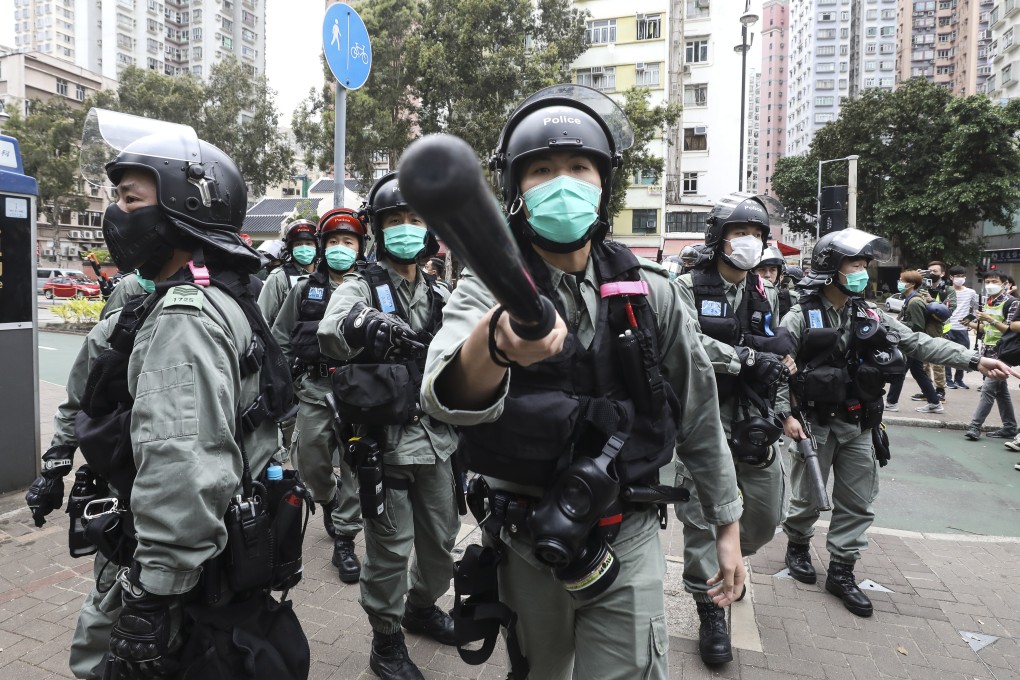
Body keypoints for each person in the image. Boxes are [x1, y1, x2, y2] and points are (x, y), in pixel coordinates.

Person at [420, 84, 745, 680]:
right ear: (516, 191)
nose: (561, 182)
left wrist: (727, 525)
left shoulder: (653, 291)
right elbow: (443, 393)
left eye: (578, 168)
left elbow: (699, 417)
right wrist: (495, 343)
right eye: (541, 171)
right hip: (525, 539)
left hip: (631, 531)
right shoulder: (487, 289)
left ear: (604, 184)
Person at [47, 112, 307, 679]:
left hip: (176, 571)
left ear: (185, 206)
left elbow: (180, 464)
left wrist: (151, 590)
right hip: (211, 552)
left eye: (130, 199)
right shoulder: (204, 293)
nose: (116, 212)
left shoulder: (186, 314)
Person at [778, 228, 1016, 619]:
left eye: (865, 264)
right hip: (813, 424)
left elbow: (919, 344)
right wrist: (785, 413)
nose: (863, 271)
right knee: (807, 497)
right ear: (831, 268)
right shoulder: (800, 315)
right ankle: (798, 545)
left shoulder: (869, 312)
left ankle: (841, 571)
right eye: (855, 264)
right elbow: (778, 368)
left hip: (859, 424)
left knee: (857, 502)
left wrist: (976, 361)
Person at [317, 171, 460, 680]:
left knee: (442, 544)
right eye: (394, 220)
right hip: (387, 444)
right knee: (389, 551)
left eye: (414, 219)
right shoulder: (361, 283)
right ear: (378, 229)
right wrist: (364, 324)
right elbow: (332, 331)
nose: (405, 228)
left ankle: (421, 607)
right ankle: (386, 638)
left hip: (439, 442)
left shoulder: (441, 292)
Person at [675, 194, 793, 665]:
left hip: (754, 421)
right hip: (702, 419)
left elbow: (778, 360)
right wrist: (743, 358)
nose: (749, 242)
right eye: (738, 232)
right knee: (703, 521)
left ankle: (731, 566)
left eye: (757, 234)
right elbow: (686, 341)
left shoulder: (765, 292)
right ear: (717, 239)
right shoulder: (684, 286)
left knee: (764, 517)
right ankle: (710, 610)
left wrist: (785, 408)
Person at [271, 208, 368, 583]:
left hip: (359, 391)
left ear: (360, 248)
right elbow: (280, 337)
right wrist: (280, 382)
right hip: (313, 390)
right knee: (311, 462)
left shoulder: (371, 289)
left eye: (348, 242)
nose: (340, 248)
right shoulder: (303, 288)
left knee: (357, 466)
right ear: (322, 247)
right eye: (333, 242)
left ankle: (345, 538)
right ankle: (328, 502)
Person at [964, 271, 1019, 441]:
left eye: (994, 281)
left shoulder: (1012, 303)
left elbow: (1010, 329)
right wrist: (971, 323)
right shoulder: (987, 302)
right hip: (987, 351)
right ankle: (1010, 427)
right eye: (987, 282)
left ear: (1005, 284)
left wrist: (990, 319)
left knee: (988, 389)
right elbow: (985, 329)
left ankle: (975, 426)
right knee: (1000, 391)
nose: (990, 285)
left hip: (1003, 353)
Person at [884, 271, 944, 413]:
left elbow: (917, 325)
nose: (899, 282)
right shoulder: (911, 299)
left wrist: (897, 324)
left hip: (912, 342)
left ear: (911, 284)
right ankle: (935, 403)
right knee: (918, 372)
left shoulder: (915, 301)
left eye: (901, 280)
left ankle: (891, 402)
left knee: (899, 370)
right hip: (914, 342)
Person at [258, 219, 319, 325]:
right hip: (287, 339)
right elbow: (262, 319)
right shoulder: (279, 278)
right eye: (298, 244)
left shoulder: (325, 275)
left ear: (317, 247)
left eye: (309, 243)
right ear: (290, 248)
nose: (304, 248)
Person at [915, 261, 954, 401]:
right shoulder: (921, 287)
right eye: (929, 271)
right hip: (922, 327)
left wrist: (932, 301)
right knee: (923, 362)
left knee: (937, 361)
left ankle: (940, 390)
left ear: (943, 273)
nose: (931, 273)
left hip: (938, 330)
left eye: (935, 271)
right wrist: (916, 279)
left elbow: (950, 310)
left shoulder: (948, 290)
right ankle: (927, 389)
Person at [943, 266, 978, 389]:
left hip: (962, 329)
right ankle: (948, 380)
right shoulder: (945, 291)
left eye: (962, 276)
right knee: (946, 354)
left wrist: (969, 321)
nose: (960, 278)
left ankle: (959, 380)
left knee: (963, 355)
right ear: (951, 277)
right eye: (957, 276)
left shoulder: (971, 292)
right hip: (947, 327)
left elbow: (976, 308)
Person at [754, 244, 798, 319]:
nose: (767, 275)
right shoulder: (744, 295)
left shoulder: (791, 298)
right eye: (761, 269)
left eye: (772, 269)